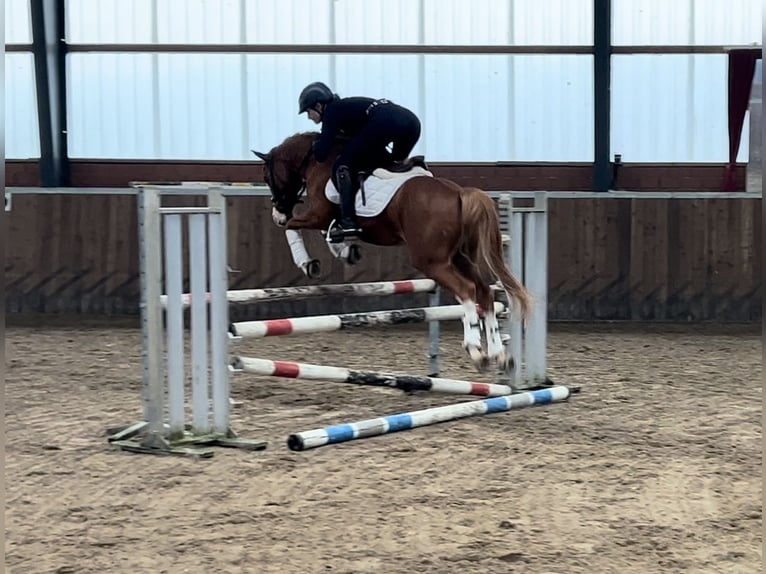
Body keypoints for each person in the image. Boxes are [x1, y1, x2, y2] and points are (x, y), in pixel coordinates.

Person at [298, 81, 423, 242]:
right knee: (391, 163)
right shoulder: (347, 106)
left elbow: (321, 154)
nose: (309, 117)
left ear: (319, 106)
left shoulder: (332, 112)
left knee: (342, 166)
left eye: (308, 112)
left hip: (384, 123)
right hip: (411, 123)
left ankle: (348, 222)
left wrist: (316, 144)